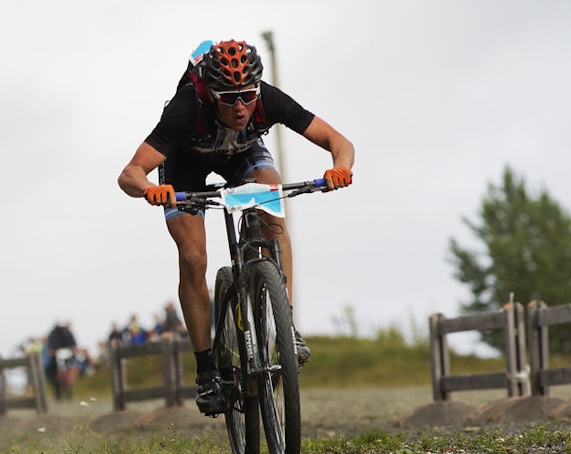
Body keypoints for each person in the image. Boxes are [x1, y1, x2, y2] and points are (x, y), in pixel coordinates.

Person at [118, 39, 354, 415]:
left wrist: (340, 167)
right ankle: (207, 370)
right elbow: (129, 173)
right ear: (211, 94)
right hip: (186, 165)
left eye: (247, 95)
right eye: (229, 98)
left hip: (242, 156)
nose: (241, 106)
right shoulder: (185, 110)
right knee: (194, 257)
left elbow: (337, 140)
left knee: (272, 209)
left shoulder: (267, 100)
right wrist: (151, 190)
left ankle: (285, 324)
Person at [44, 320, 78, 401]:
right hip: (55, 360)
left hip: (67, 358)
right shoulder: (53, 333)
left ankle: (68, 395)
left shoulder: (67, 333)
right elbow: (50, 346)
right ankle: (58, 396)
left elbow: (73, 345)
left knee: (67, 377)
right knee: (55, 377)